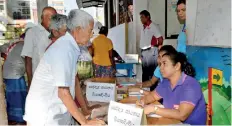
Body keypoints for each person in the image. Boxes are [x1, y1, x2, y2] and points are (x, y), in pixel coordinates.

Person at [23, 9, 105, 125]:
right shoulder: (64, 49)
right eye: (90, 30)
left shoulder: (70, 47)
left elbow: (74, 81)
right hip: (45, 115)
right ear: (78, 29)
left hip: (55, 112)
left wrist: (85, 110)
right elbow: (63, 92)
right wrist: (85, 122)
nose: (91, 35)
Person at [137, 52, 206, 125]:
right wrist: (143, 101)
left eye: (164, 63)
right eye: (160, 64)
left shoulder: (191, 84)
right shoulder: (166, 82)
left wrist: (154, 109)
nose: (160, 68)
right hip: (171, 122)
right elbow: (153, 96)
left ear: (177, 66)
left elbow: (182, 115)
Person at [21, 7, 57, 90]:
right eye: (52, 18)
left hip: (54, 80)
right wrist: (30, 82)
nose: (54, 21)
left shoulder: (56, 33)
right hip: (39, 81)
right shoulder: (32, 32)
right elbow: (28, 59)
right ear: (43, 18)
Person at [139, 10, 163, 83]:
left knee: (152, 73)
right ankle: (145, 90)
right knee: (145, 72)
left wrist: (157, 49)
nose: (141, 19)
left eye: (142, 17)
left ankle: (153, 90)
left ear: (148, 17)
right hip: (144, 52)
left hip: (151, 51)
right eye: (140, 17)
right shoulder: (144, 27)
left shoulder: (153, 26)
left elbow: (160, 38)